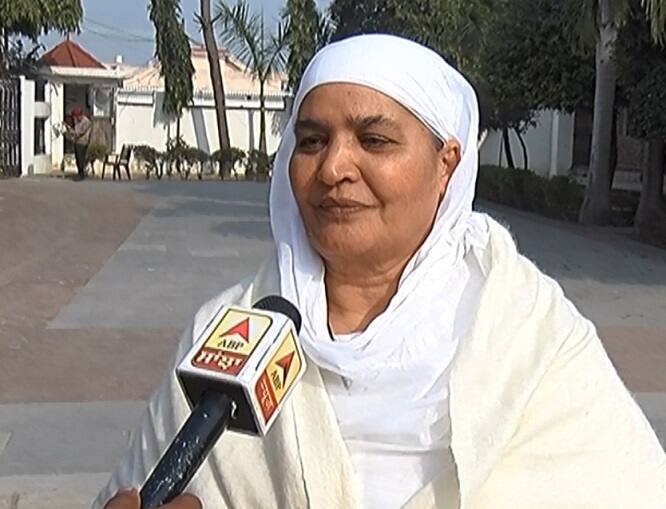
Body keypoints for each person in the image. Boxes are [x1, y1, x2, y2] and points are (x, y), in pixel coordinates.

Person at [95, 35, 666, 509]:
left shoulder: (527, 331)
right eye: (312, 141)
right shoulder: (226, 332)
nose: (334, 167)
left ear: (447, 164)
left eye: (374, 140)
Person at [65, 106, 92, 181]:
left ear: (80, 115)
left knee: (80, 159)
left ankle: (81, 174)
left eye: (76, 117)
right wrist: (69, 130)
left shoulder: (86, 122)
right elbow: (75, 132)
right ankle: (79, 173)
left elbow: (80, 132)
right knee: (77, 158)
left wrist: (73, 132)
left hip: (83, 142)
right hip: (77, 142)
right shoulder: (77, 122)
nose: (76, 118)